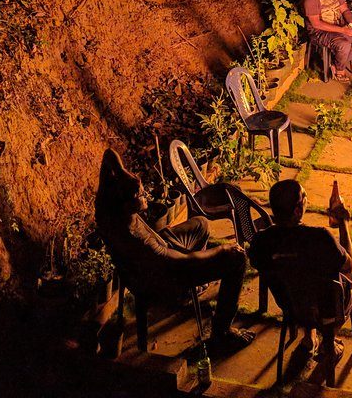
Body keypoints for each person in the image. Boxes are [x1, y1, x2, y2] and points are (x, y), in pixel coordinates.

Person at [94, 149, 255, 351]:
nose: (146, 196)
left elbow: (109, 155)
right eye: (141, 195)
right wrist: (220, 251)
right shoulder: (139, 242)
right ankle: (221, 331)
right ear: (128, 203)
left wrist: (122, 171)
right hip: (162, 276)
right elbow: (181, 262)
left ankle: (192, 287)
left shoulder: (106, 208)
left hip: (160, 250)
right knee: (236, 259)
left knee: (201, 224)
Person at [249, 179, 352, 364]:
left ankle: (309, 337)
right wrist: (344, 222)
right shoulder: (320, 238)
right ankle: (329, 341)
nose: (307, 198)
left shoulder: (261, 241)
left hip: (290, 305)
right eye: (304, 196)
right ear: (298, 210)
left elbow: (259, 262)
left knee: (300, 281)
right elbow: (348, 265)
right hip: (326, 308)